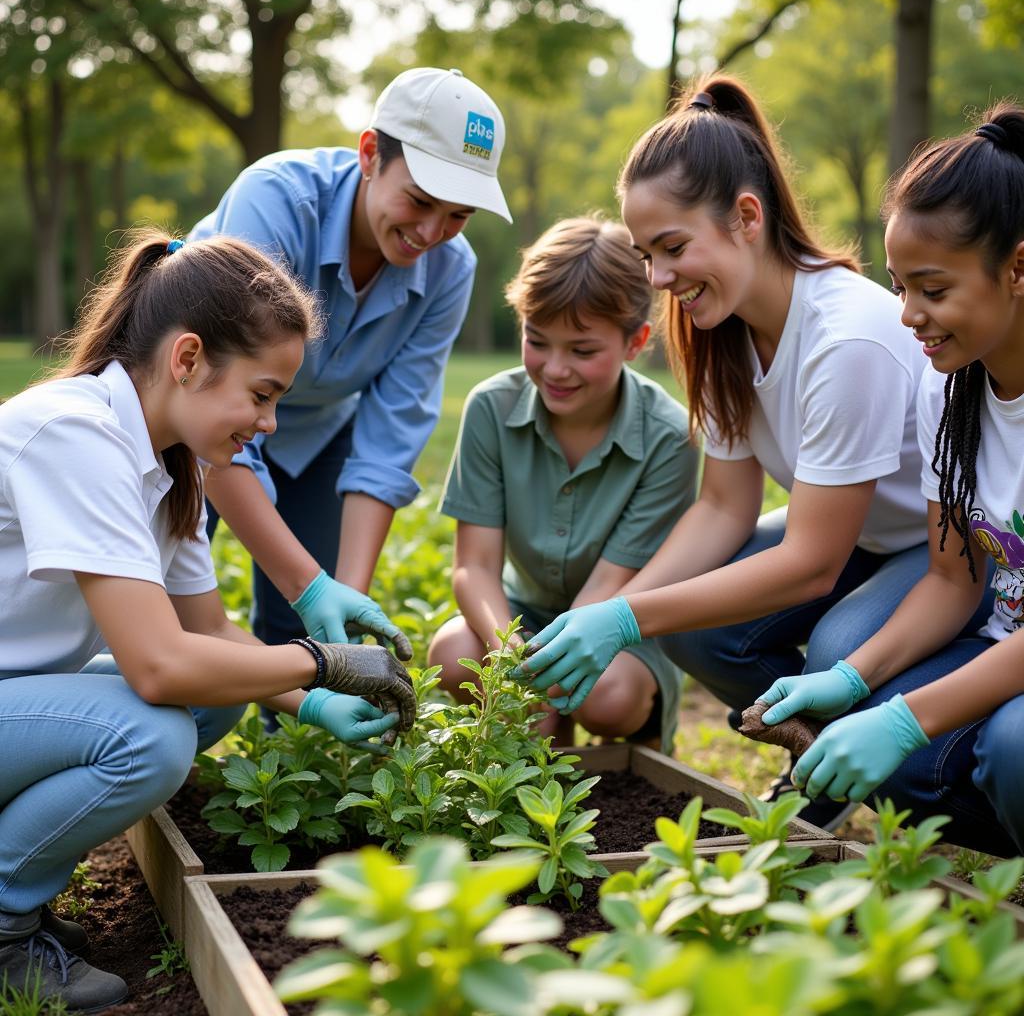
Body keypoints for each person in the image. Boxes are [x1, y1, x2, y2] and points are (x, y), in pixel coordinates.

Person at [513, 75, 965, 830]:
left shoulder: (845, 338)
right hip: (861, 542)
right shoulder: (721, 331)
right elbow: (725, 506)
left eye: (672, 248)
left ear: (746, 217)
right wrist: (621, 613)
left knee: (837, 647)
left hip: (943, 551)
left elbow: (811, 563)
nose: (657, 278)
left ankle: (880, 770)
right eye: (646, 254)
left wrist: (625, 620)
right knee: (693, 621)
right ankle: (820, 753)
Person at [0, 231, 416, 1011]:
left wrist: (316, 701)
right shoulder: (76, 434)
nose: (269, 424)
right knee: (152, 737)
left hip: (13, 696)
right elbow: (158, 665)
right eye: (262, 394)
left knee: (218, 695)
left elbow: (213, 639)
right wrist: (319, 662)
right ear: (187, 358)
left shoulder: (173, 461)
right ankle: (2, 921)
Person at [758, 104, 1024, 857]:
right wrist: (852, 677)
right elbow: (950, 577)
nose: (908, 315)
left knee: (1013, 747)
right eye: (901, 286)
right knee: (880, 720)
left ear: (1019, 267)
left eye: (932, 290)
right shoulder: (952, 385)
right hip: (1003, 642)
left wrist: (909, 718)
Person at [190, 67, 511, 663]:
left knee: (306, 626)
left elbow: (390, 437)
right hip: (191, 424)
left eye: (459, 215)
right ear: (370, 154)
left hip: (317, 428)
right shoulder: (277, 203)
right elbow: (220, 412)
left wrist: (344, 601)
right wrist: (311, 585)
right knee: (164, 600)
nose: (431, 232)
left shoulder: (450, 270)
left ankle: (297, 748)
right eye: (419, 201)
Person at [428, 217, 699, 750]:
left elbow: (610, 586)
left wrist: (546, 680)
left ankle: (635, 745)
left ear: (635, 342)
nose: (555, 369)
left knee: (608, 697)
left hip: (621, 624)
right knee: (451, 654)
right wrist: (508, 653)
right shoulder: (491, 407)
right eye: (538, 340)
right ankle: (545, 748)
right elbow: (474, 565)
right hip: (521, 614)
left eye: (581, 350)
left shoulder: (668, 437)